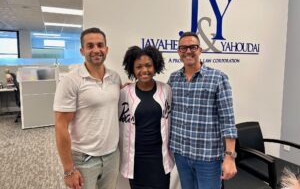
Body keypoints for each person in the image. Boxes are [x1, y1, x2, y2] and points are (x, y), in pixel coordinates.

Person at [168, 32, 238, 189]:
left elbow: (228, 120)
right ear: (178, 52)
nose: (188, 51)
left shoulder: (218, 78)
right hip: (181, 154)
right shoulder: (173, 79)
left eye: (192, 47)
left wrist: (230, 157)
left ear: (200, 50)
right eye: (183, 48)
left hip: (208, 158)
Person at [53, 27, 121, 189]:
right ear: (82, 51)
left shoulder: (115, 77)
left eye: (100, 45)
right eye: (90, 46)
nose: (96, 50)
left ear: (106, 49)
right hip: (84, 159)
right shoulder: (71, 80)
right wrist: (68, 170)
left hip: (112, 156)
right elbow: (61, 125)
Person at [119, 45, 174, 189]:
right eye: (139, 67)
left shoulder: (166, 90)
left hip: (159, 158)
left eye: (148, 65)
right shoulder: (124, 93)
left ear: (155, 66)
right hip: (136, 159)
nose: (144, 70)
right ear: (132, 69)